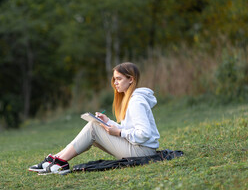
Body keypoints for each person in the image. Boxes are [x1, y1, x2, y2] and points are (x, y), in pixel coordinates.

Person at [29, 62, 160, 175]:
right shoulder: (130, 99)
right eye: (114, 79)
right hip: (138, 149)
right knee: (95, 126)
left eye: (119, 79)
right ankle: (57, 159)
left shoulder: (136, 101)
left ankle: (59, 161)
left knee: (93, 127)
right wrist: (107, 122)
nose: (115, 83)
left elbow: (144, 134)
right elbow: (130, 129)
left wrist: (119, 132)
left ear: (131, 79)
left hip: (142, 153)